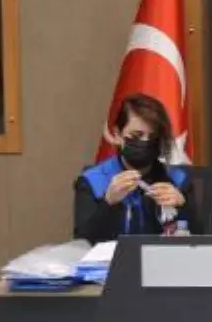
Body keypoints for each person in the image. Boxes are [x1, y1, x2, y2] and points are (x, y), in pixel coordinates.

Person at [74, 93, 201, 243]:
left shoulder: (178, 180)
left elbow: (200, 241)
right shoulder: (93, 181)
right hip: (112, 258)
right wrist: (107, 202)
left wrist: (182, 207)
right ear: (117, 135)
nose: (145, 142)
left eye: (152, 137)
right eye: (136, 135)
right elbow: (82, 242)